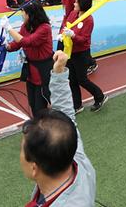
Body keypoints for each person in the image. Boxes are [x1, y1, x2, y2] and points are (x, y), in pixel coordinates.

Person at [21, 50, 96, 206]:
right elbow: (67, 119)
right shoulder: (76, 159)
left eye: (22, 151)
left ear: (34, 168)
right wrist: (59, 72)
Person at [3, 0, 54, 117]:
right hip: (31, 71)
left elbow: (28, 41)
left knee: (41, 106)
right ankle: (40, 127)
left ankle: (46, 128)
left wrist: (9, 29)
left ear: (31, 14)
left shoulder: (44, 28)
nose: (22, 14)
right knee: (32, 103)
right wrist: (6, 46)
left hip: (43, 70)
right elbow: (18, 43)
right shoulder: (25, 26)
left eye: (23, 12)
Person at [62, 0, 107, 113]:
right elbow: (66, 25)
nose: (74, 3)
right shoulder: (73, 13)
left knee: (82, 79)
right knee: (72, 79)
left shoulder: (88, 20)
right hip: (70, 51)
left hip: (81, 53)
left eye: (76, 1)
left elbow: (83, 40)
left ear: (83, 4)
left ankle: (100, 96)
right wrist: (62, 34)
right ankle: (77, 105)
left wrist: (73, 35)